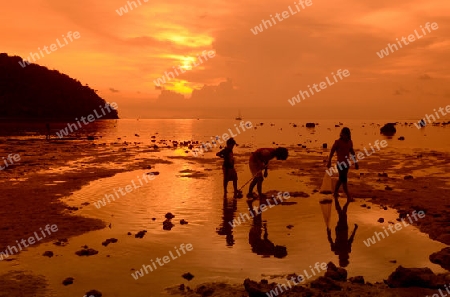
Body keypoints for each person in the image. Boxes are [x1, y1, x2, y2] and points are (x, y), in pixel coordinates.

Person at [326, 127, 358, 202]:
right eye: (343, 134)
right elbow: (332, 152)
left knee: (341, 179)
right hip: (340, 164)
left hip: (347, 164)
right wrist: (329, 161)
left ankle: (335, 193)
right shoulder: (337, 142)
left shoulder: (350, 142)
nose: (345, 136)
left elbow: (352, 153)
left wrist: (356, 163)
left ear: (348, 135)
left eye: (346, 135)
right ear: (341, 134)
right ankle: (348, 196)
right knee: (343, 180)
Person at [327, 196, 358, 267]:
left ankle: (342, 201)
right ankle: (341, 201)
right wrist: (328, 233)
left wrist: (355, 229)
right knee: (342, 214)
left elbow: (351, 239)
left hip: (343, 229)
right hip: (340, 230)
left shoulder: (345, 250)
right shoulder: (337, 251)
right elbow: (330, 239)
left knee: (342, 214)